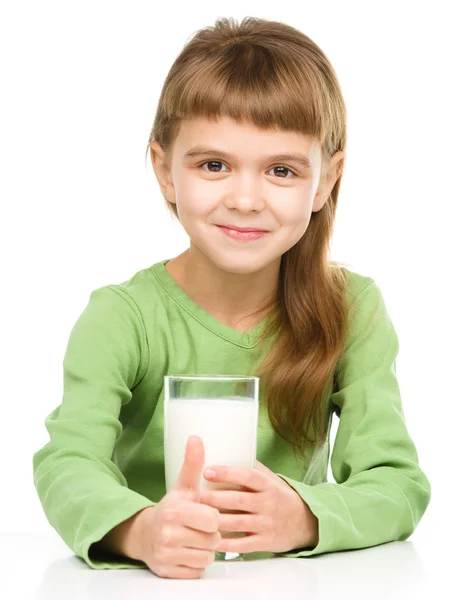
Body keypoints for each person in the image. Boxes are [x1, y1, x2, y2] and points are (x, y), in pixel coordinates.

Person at [32, 16, 431, 580]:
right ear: (165, 171)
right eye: (214, 165)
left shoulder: (352, 309)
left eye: (281, 170)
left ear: (325, 182)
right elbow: (67, 463)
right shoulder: (122, 318)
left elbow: (397, 482)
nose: (245, 199)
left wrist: (306, 517)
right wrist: (139, 529)